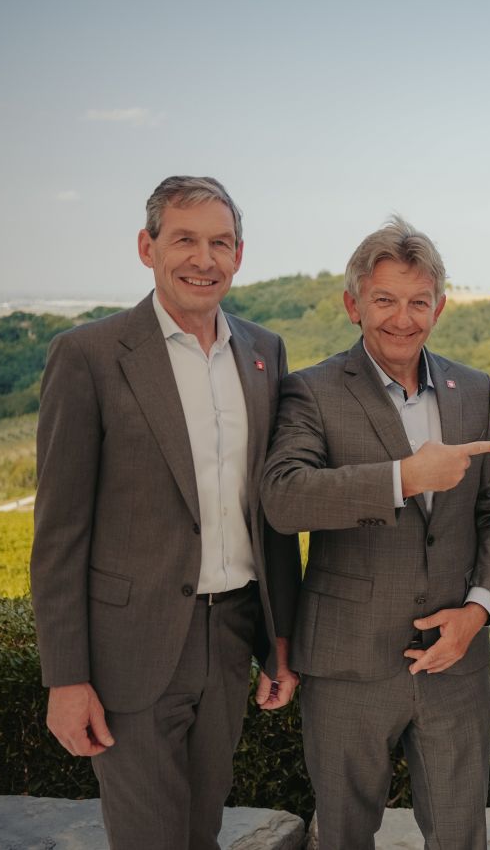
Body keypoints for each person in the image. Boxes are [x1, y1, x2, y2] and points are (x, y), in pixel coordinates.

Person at [29, 176, 302, 850]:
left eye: (220, 243)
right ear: (147, 247)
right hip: (130, 649)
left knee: (201, 830)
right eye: (185, 240)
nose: (203, 260)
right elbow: (59, 534)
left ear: (239, 255)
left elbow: (270, 513)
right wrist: (66, 678)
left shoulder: (264, 353)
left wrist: (280, 640)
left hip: (231, 635)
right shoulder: (88, 355)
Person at [260, 216, 490, 850]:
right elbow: (283, 498)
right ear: (353, 305)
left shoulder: (473, 390)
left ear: (440, 307)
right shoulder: (312, 391)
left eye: (418, 302)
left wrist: (478, 612)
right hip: (348, 665)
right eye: (384, 300)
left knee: (461, 838)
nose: (402, 319)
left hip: (455, 662)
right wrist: (402, 478)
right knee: (344, 836)